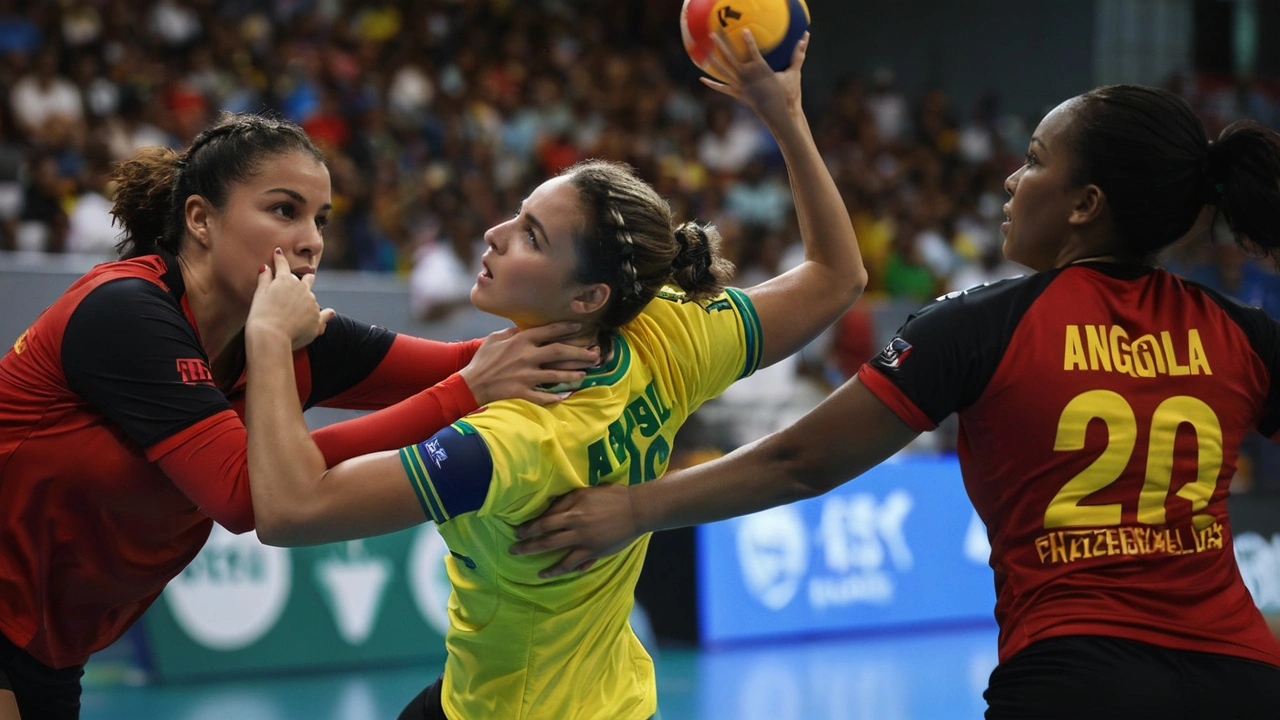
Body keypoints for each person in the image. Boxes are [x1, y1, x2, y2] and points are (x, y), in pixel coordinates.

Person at [511, 85, 1280, 719]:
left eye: (1035, 162)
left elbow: (799, 461)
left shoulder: (981, 326)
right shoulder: (1243, 334)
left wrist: (635, 508)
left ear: (1085, 204)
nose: (1012, 180)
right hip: (1246, 675)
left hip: (1077, 676)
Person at [242, 32, 866, 720]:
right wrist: (787, 116)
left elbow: (292, 511)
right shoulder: (667, 332)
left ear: (587, 298)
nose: (495, 234)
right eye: (518, 213)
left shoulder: (517, 437)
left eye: (531, 236)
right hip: (597, 701)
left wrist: (268, 338)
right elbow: (839, 277)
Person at [0, 112, 596, 720]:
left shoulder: (302, 340)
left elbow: (469, 363)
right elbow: (247, 495)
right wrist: (463, 393)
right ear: (200, 220)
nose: (311, 239)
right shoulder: (126, 313)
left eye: (320, 219)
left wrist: (607, 306)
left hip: (51, 646)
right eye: (284, 211)